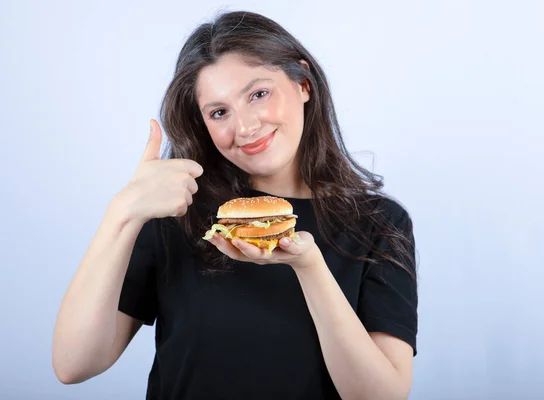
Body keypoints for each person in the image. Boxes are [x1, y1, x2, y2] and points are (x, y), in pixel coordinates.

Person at [52, 10, 418, 400]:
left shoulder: (379, 223)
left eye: (258, 94)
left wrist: (308, 266)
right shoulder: (179, 214)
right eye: (219, 112)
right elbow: (74, 364)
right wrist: (122, 212)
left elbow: (381, 396)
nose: (244, 128)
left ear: (303, 83)